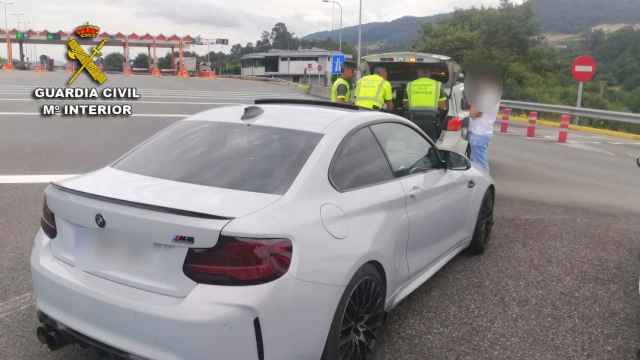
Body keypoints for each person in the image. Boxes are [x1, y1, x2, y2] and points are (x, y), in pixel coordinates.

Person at [466, 74, 502, 172]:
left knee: (480, 164)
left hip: (479, 133)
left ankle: (485, 184)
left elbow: (474, 113)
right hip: (483, 132)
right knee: (477, 163)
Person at [403, 68, 447, 140]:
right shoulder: (437, 85)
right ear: (429, 74)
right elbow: (442, 106)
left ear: (418, 74)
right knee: (429, 143)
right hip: (431, 121)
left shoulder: (410, 85)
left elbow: (405, 105)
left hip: (413, 120)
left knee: (413, 142)